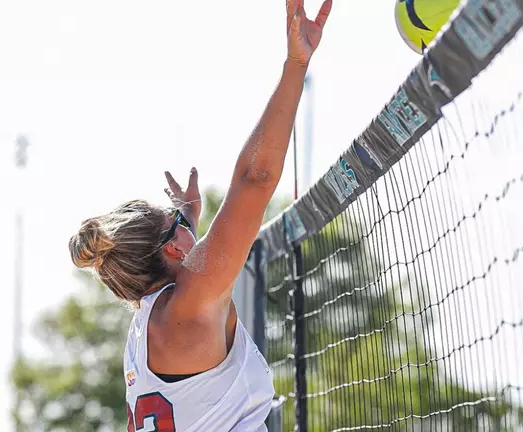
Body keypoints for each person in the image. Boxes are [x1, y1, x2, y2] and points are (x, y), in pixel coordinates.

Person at [68, 0, 333, 430]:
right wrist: (295, 64)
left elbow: (188, 258)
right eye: (178, 223)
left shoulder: (144, 333)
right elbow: (255, 179)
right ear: (172, 246)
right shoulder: (193, 303)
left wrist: (185, 217)